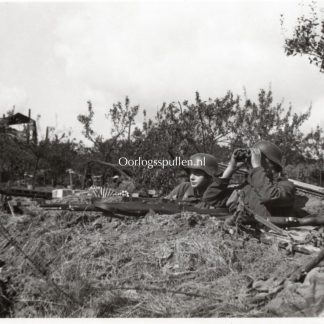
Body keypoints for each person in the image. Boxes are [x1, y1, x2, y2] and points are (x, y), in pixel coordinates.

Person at [204, 141, 296, 220]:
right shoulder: (245, 187)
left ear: (273, 166)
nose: (251, 161)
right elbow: (210, 197)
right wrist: (231, 168)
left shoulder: (285, 186)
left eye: (259, 159)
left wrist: (257, 167)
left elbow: (268, 196)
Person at [165, 153, 231, 208]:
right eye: (191, 173)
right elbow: (163, 205)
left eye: (197, 174)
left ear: (209, 177)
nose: (192, 177)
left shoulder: (217, 195)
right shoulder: (184, 188)